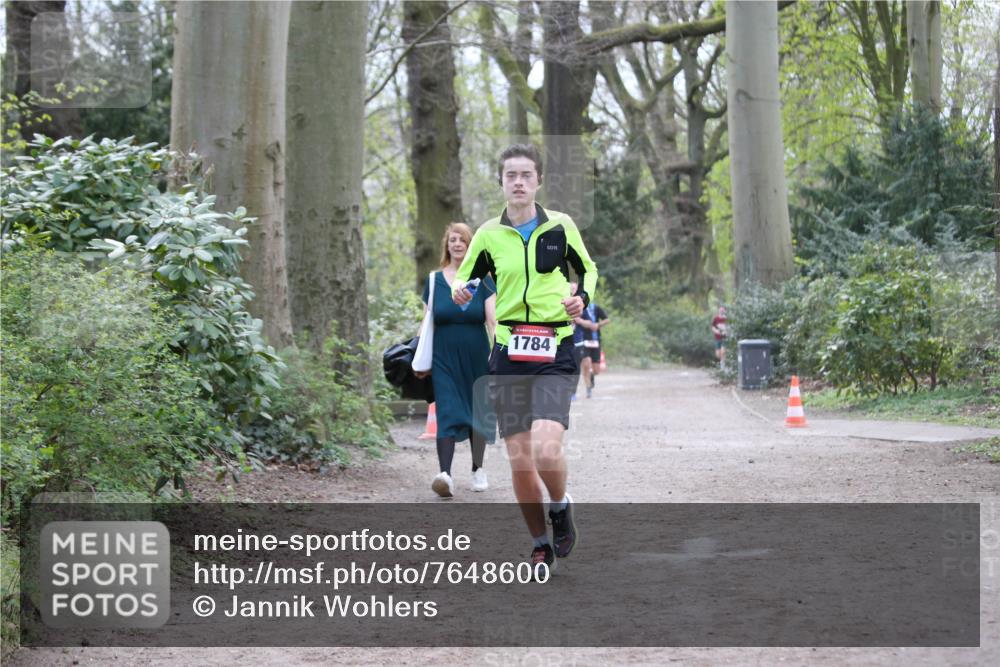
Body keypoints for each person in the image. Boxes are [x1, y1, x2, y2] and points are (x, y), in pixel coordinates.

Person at [452, 143, 598, 574]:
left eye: (526, 175)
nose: (518, 182)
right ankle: (539, 544)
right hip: (510, 352)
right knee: (519, 458)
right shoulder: (487, 234)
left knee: (546, 448)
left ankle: (560, 506)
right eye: (510, 175)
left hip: (555, 347)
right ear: (501, 181)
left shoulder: (560, 226)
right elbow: (466, 279)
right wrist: (463, 290)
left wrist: (581, 298)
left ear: (538, 181)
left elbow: (586, 270)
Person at [416, 223, 497, 498]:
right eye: (453, 240)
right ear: (446, 245)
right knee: (447, 410)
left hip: (477, 355)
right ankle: (445, 475)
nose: (458, 244)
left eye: (463, 240)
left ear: (470, 245)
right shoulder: (433, 280)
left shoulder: (484, 281)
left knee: (478, 412)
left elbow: (492, 321)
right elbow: (426, 321)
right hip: (443, 356)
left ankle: (478, 469)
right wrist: (419, 358)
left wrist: (497, 354)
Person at [573, 302, 609, 398]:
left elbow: (607, 319)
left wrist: (598, 324)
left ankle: (591, 375)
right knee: (586, 364)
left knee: (596, 370)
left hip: (595, 340)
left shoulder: (596, 307)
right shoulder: (579, 307)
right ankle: (588, 388)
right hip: (583, 340)